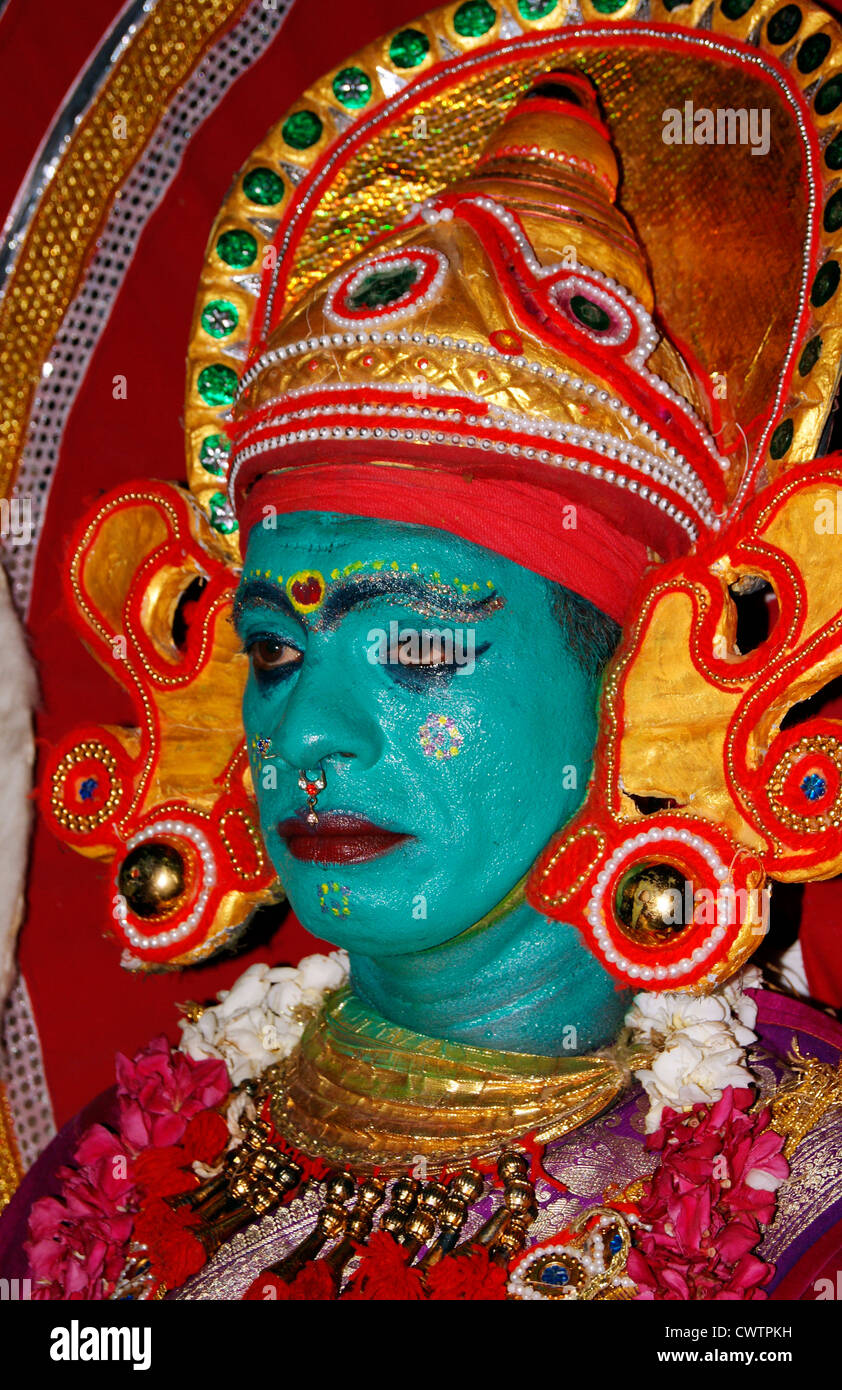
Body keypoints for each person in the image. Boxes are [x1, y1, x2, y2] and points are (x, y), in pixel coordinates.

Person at [5, 5, 842, 1302]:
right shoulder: (103, 1187)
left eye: (412, 644)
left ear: (636, 681)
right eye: (277, 653)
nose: (314, 736)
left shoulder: (797, 1198)